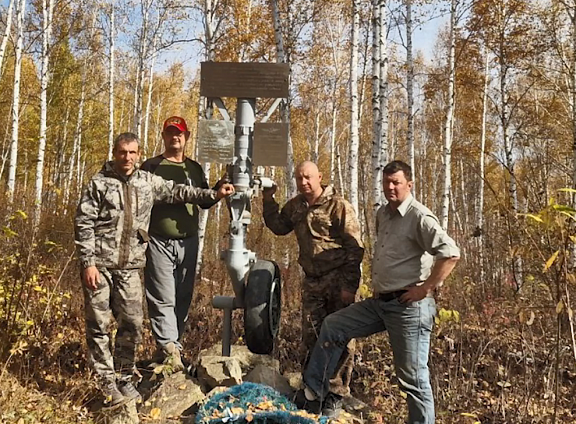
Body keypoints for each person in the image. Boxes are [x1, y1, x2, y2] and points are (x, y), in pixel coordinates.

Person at [74, 132, 234, 405]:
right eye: (123, 152)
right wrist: (88, 263)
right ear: (115, 153)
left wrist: (213, 194)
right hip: (100, 266)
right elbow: (83, 224)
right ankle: (105, 382)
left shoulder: (147, 182)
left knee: (133, 325)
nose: (127, 157)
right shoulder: (98, 184)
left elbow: (179, 191)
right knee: (99, 326)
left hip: (130, 268)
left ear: (138, 154)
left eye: (133, 152)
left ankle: (124, 378)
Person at [297, 160, 460, 423]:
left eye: (396, 182)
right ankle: (313, 392)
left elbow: (450, 253)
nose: (390, 187)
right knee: (334, 325)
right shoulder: (383, 214)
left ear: (409, 184)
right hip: (380, 303)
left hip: (409, 307)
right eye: (386, 182)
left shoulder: (419, 217)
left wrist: (425, 289)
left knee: (413, 379)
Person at [262, 161, 364, 409]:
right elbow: (278, 226)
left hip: (339, 278)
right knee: (312, 334)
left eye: (308, 177)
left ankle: (338, 393)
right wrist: (268, 199)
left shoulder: (338, 206)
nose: (304, 182)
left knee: (342, 337)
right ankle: (312, 390)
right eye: (299, 178)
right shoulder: (296, 206)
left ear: (320, 177)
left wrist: (350, 286)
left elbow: (355, 247)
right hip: (313, 281)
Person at [141, 116, 218, 371]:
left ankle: (172, 346)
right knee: (162, 297)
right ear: (163, 136)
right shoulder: (151, 166)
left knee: (182, 297)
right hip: (158, 240)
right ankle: (170, 350)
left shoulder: (194, 169)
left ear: (187, 137)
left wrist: (221, 187)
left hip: (188, 241)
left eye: (180, 133)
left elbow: (205, 200)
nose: (176, 137)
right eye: (171, 133)